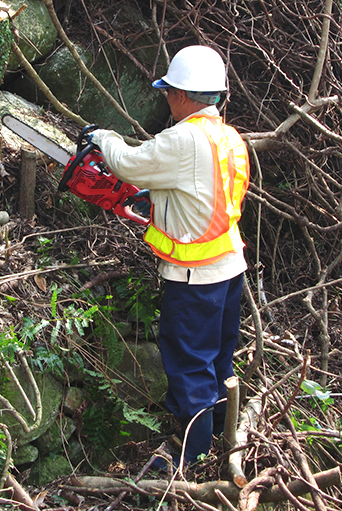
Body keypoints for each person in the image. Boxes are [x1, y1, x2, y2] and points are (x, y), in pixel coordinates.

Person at [89, 45, 251, 469]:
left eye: (169, 92)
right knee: (218, 358)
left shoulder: (182, 139)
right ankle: (219, 434)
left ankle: (193, 457)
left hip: (194, 277)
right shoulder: (228, 137)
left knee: (189, 363)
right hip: (230, 268)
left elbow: (126, 162)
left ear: (181, 93)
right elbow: (200, 193)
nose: (166, 99)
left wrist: (101, 137)